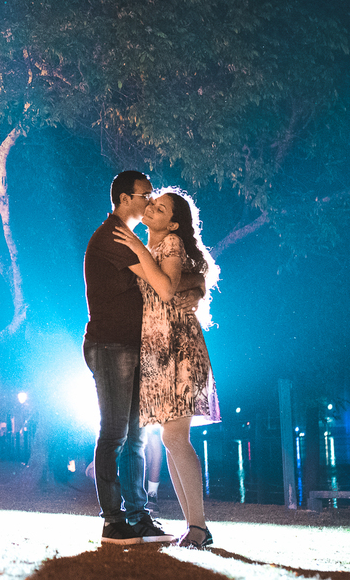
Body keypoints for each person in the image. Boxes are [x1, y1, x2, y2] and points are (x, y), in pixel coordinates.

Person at [83, 171, 202, 545]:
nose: (149, 201)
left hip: (140, 348)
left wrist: (194, 281)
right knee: (115, 435)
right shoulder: (117, 237)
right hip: (112, 346)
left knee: (136, 437)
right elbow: (163, 285)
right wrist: (192, 282)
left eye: (154, 198)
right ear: (124, 199)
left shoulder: (141, 242)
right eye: (145, 195)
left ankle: (138, 517)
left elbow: (167, 278)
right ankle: (113, 520)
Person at [115, 188, 220, 550]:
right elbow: (185, 279)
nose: (152, 209)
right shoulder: (153, 247)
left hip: (179, 348)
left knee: (175, 438)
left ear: (173, 223)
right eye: (153, 204)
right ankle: (194, 526)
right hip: (159, 351)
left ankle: (200, 528)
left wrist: (136, 245)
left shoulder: (171, 242)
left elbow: (167, 287)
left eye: (160, 208)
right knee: (170, 438)